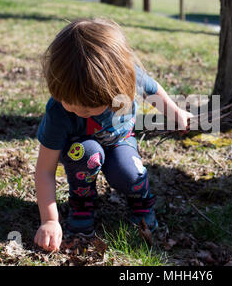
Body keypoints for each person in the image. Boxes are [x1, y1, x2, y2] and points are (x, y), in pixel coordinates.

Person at [33, 18, 193, 252]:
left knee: (130, 173)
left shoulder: (126, 78)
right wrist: (49, 220)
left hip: (120, 142)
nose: (77, 111)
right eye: (70, 103)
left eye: (86, 108)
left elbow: (153, 90)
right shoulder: (58, 111)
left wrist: (175, 112)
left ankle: (141, 202)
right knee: (88, 154)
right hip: (84, 152)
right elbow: (45, 170)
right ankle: (83, 202)